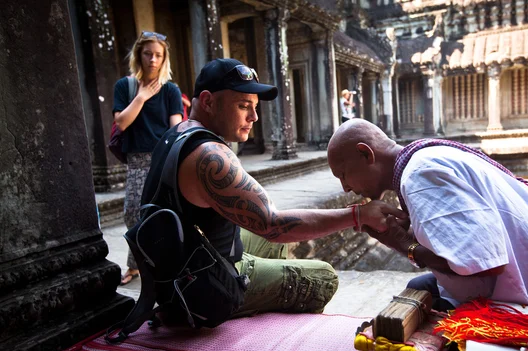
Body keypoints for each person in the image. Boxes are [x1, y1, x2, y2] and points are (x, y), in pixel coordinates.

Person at [141, 58, 395, 318]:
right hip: (196, 285)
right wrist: (358, 215)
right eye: (243, 106)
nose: (254, 117)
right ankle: (245, 317)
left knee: (273, 245)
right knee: (323, 278)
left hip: (178, 265)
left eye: (254, 107)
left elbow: (263, 219)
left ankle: (257, 303)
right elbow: (273, 225)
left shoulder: (178, 132)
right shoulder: (209, 155)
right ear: (207, 102)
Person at [327, 118, 528, 325]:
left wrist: (403, 244)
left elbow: (480, 267)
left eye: (343, 174)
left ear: (366, 154)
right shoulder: (423, 156)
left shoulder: (420, 176)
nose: (345, 188)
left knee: (400, 344)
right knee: (419, 288)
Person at [113, 31, 183, 285]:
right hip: (137, 160)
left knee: (166, 214)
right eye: (148, 54)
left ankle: (165, 264)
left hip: (163, 159)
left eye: (158, 55)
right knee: (132, 214)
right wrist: (141, 97)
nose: (153, 59)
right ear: (139, 55)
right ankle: (136, 264)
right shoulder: (126, 87)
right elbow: (121, 123)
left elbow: (176, 126)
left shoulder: (170, 90)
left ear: (164, 59)